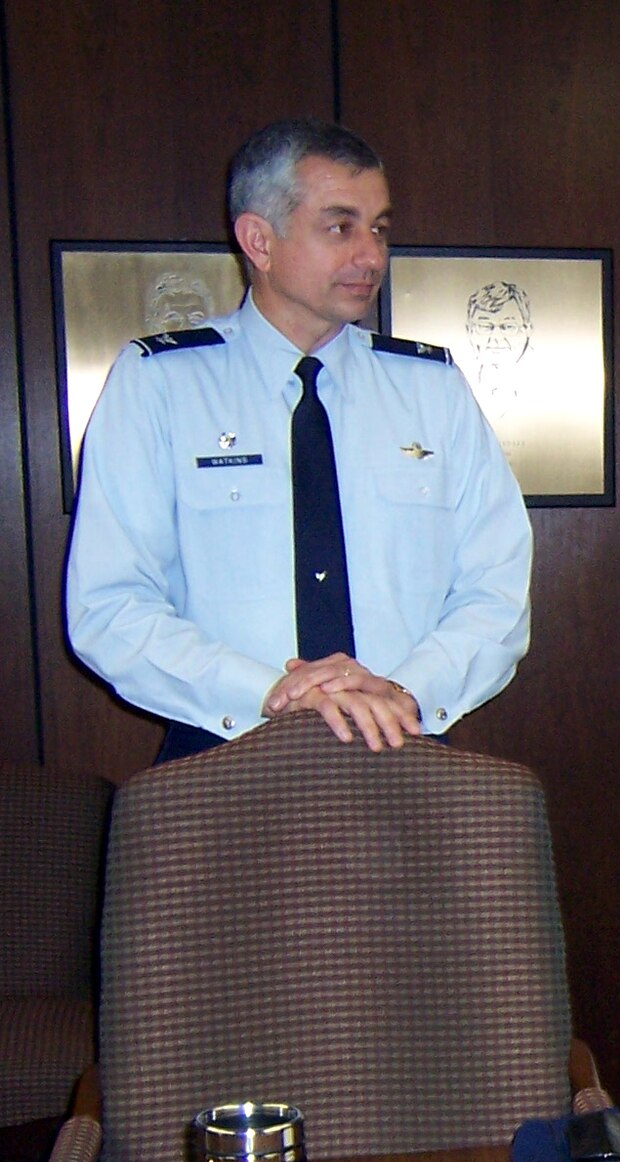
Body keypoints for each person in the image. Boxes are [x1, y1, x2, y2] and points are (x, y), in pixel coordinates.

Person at [67, 119, 531, 761]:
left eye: (380, 228)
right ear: (259, 239)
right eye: (340, 227)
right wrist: (276, 693)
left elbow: (497, 586)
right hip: (224, 752)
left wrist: (402, 692)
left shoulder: (433, 388)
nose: (371, 255)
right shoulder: (160, 385)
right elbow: (111, 606)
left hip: (406, 749)